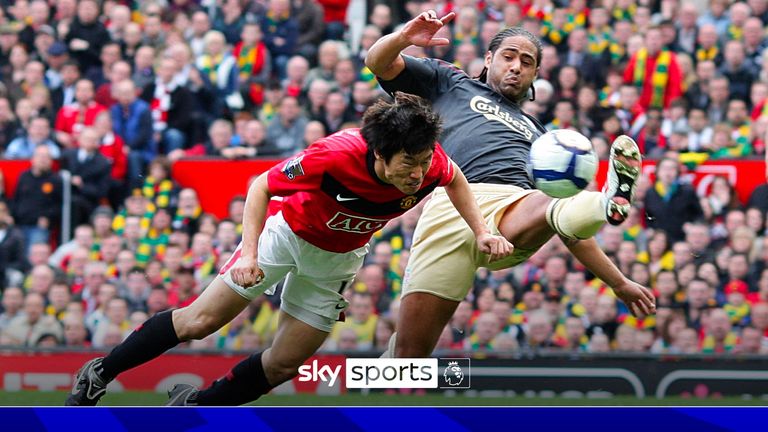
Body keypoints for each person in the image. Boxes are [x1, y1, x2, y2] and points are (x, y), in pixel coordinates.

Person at [65, 92, 512, 406]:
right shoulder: (334, 154)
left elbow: (455, 179)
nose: (418, 175)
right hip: (286, 237)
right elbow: (261, 186)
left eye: (422, 163)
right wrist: (252, 253)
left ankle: (196, 407)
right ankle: (100, 373)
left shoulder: (429, 161)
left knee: (283, 365)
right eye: (407, 165)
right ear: (378, 152)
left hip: (337, 260)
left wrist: (482, 230)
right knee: (198, 322)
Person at [365, 10, 656, 359]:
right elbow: (377, 62)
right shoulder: (451, 81)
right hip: (452, 208)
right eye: (509, 56)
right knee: (408, 356)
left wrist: (618, 282)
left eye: (527, 62)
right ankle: (368, 394)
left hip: (512, 212)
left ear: (535, 74)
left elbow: (568, 228)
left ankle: (605, 200)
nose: (517, 66)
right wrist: (403, 38)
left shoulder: (542, 137)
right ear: (488, 60)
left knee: (552, 201)